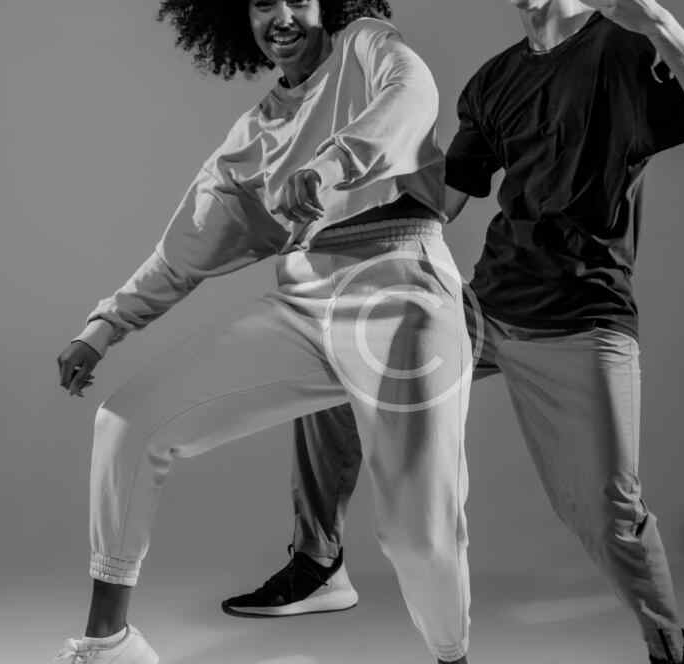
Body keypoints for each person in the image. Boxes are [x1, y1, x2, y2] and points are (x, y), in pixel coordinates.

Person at [221, 1, 684, 663]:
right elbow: (443, 198)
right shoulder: (497, 80)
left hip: (580, 321)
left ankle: (668, 646)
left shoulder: (621, 48)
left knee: (607, 513)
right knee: (337, 369)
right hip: (484, 309)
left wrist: (661, 25)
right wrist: (334, 194)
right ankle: (318, 561)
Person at [51, 1, 475, 662]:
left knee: (417, 534)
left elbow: (411, 95)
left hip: (402, 289)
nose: (282, 16)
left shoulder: (365, 47)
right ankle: (109, 645)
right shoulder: (252, 135)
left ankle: (453, 657)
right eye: (261, 2)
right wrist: (102, 328)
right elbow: (181, 253)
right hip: (304, 303)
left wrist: (333, 164)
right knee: (126, 422)